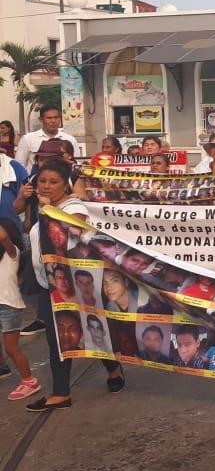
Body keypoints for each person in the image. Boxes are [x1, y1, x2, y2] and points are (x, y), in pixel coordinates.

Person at [24, 160, 124, 412]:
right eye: (42, 181)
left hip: (76, 285)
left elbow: (66, 234)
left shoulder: (74, 206)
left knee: (91, 331)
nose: (46, 186)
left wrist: (48, 212)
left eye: (53, 182)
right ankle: (61, 393)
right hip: (48, 285)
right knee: (58, 338)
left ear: (65, 185)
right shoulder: (43, 205)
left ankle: (112, 368)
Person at [0, 217, 40, 399]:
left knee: (11, 347)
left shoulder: (12, 253)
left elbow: (3, 237)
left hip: (8, 305)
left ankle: (29, 381)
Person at [15, 105, 78, 170]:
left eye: (56, 117)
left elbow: (76, 162)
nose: (53, 121)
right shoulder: (28, 139)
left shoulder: (70, 139)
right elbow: (19, 165)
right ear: (41, 119)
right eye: (49, 118)